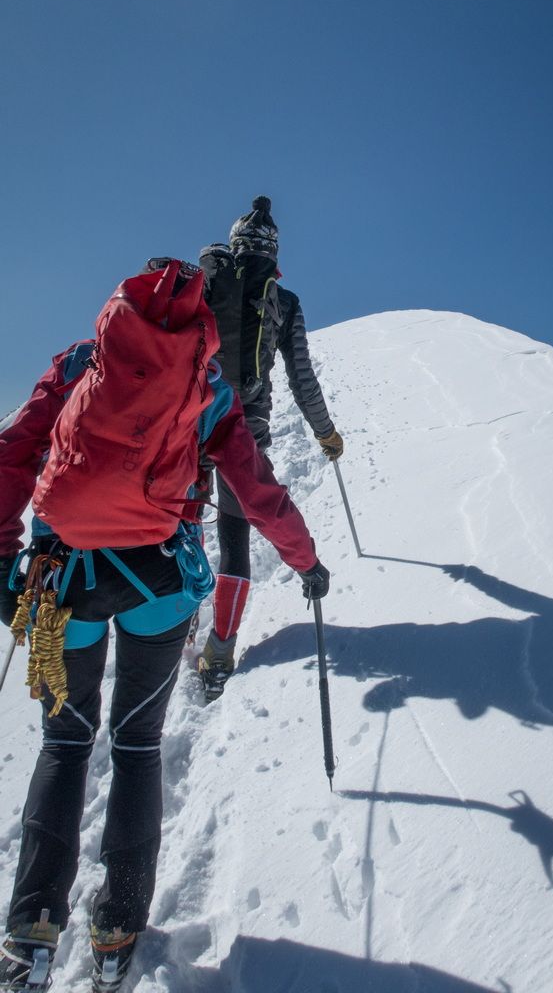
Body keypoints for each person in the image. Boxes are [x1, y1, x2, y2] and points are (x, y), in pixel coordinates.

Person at [0, 259, 329, 992]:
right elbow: (257, 489)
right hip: (157, 584)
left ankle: (31, 931)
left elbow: (12, 455)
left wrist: (2, 564)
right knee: (138, 744)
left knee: (64, 739)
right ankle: (117, 931)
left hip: (63, 581)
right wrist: (305, 562)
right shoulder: (207, 388)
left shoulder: (78, 366)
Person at [196, 198, 343, 700]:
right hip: (243, 431)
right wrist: (325, 433)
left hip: (187, 424)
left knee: (178, 529)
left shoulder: (204, 284)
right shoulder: (285, 301)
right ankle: (220, 649)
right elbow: (303, 380)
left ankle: (167, 633)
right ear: (274, 252)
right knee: (235, 537)